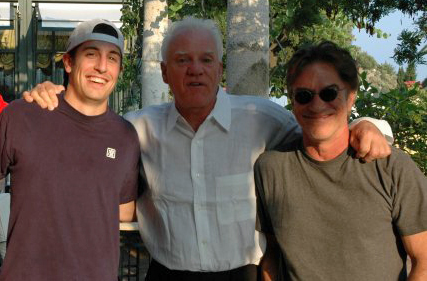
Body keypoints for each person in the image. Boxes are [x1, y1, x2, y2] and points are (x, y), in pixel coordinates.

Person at [24, 17, 392, 281]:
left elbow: (322, 127)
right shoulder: (136, 128)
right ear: (166, 72)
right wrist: (54, 96)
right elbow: (86, 128)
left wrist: (369, 126)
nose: (195, 70)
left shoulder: (261, 118)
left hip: (245, 274)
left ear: (220, 69)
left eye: (205, 60)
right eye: (182, 61)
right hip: (167, 273)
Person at [254, 41, 427, 281]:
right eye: (303, 95)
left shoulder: (390, 167)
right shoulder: (270, 169)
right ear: (292, 101)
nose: (317, 105)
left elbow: (424, 262)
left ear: (351, 97)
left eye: (329, 93)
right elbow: (273, 256)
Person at [0, 19, 140, 280]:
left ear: (119, 70)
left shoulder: (126, 136)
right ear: (68, 62)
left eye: (112, 58)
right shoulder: (22, 116)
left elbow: (123, 210)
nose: (101, 66)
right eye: (91, 54)